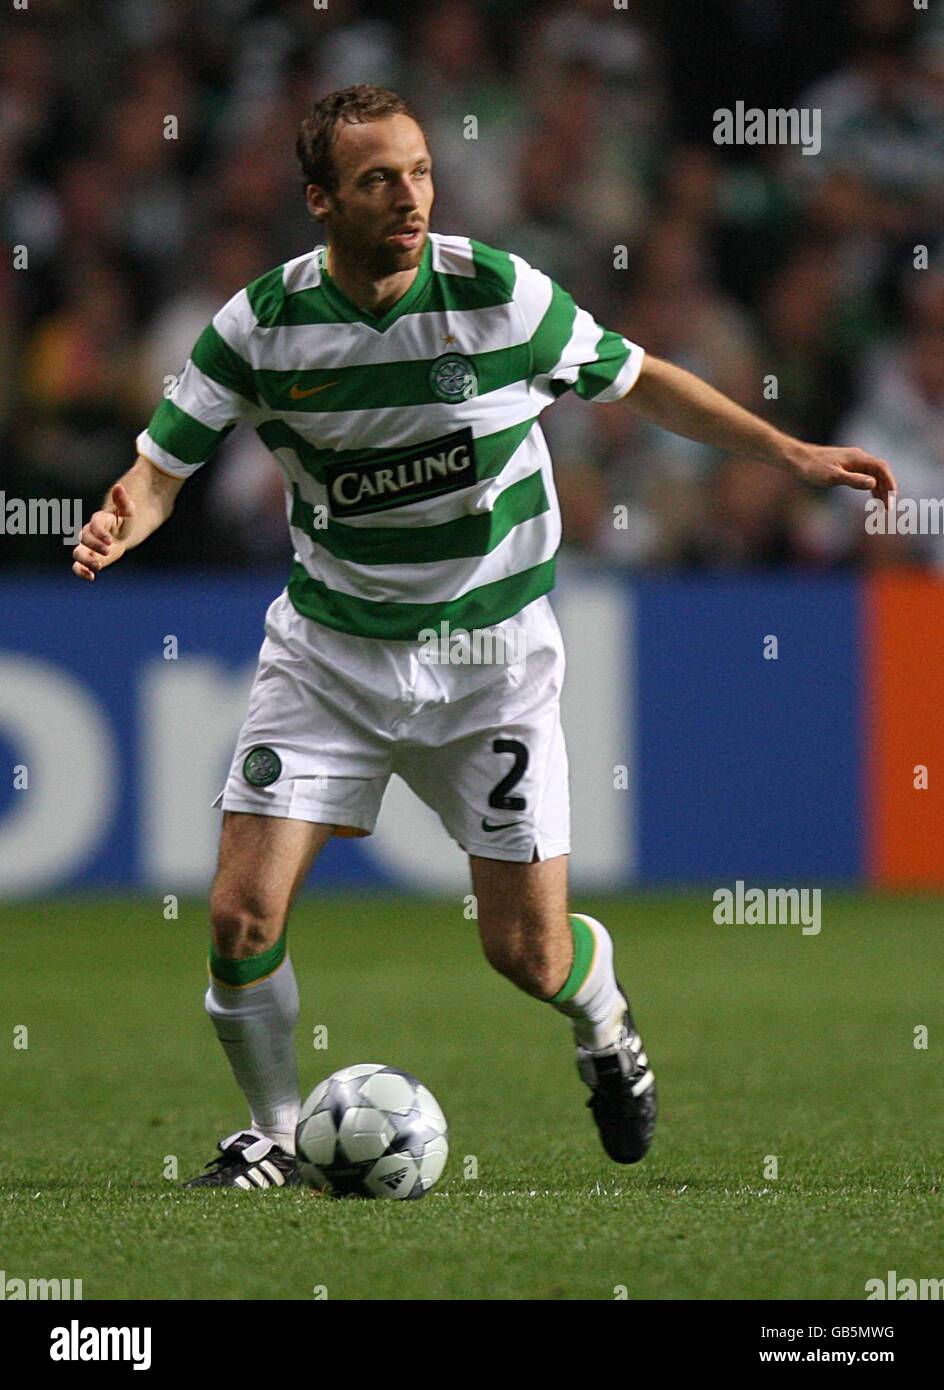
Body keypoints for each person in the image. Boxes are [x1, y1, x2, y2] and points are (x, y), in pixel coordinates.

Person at [71, 86, 896, 1190]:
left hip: (490, 663)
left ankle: (600, 1011)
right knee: (237, 913)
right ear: (320, 200)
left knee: (526, 953)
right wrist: (124, 513)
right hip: (331, 655)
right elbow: (163, 469)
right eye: (376, 179)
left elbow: (641, 379)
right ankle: (273, 1129)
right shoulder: (259, 326)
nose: (408, 194)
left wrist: (784, 452)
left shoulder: (498, 296)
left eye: (416, 170)